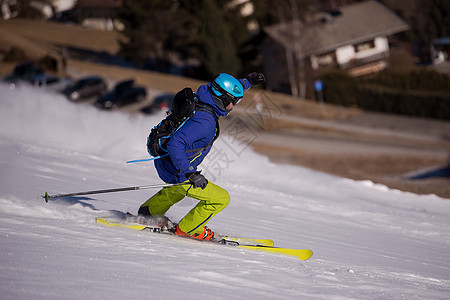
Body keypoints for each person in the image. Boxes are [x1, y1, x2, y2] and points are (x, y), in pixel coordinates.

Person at [138, 72, 266, 241]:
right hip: (179, 170)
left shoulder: (204, 96)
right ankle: (189, 228)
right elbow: (175, 143)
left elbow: (225, 88)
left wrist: (248, 82)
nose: (233, 106)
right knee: (221, 198)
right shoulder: (205, 121)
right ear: (222, 99)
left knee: (178, 190)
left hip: (166, 163)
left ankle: (149, 212)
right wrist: (190, 172)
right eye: (233, 102)